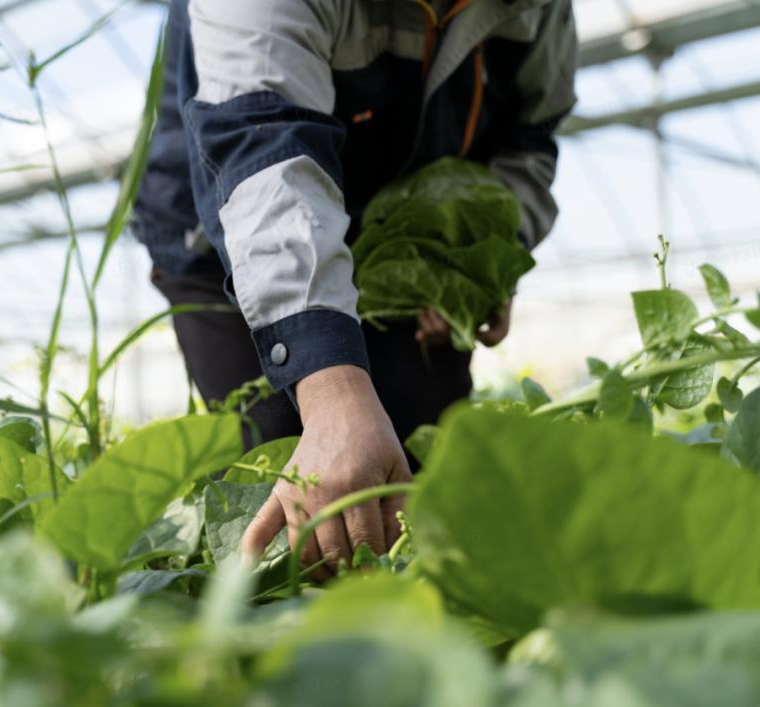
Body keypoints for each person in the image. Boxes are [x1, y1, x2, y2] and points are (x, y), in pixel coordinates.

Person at [131, 0, 577, 579]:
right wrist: (332, 391)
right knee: (276, 473)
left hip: (395, 242)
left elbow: (529, 135)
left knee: (422, 463)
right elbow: (262, 147)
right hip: (225, 233)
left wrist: (478, 260)